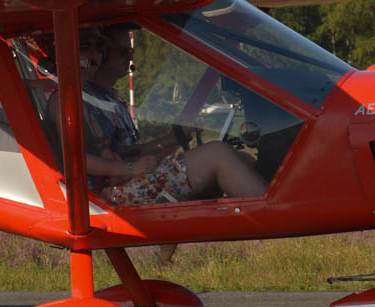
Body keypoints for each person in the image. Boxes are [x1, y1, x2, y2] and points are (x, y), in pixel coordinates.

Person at [51, 24, 266, 205]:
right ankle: (273, 213)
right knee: (218, 153)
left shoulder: (104, 99)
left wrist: (170, 139)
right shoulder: (67, 98)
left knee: (242, 157)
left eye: (101, 48)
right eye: (86, 47)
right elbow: (74, 160)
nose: (96, 54)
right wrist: (130, 168)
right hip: (106, 196)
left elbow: (124, 151)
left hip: (125, 181)